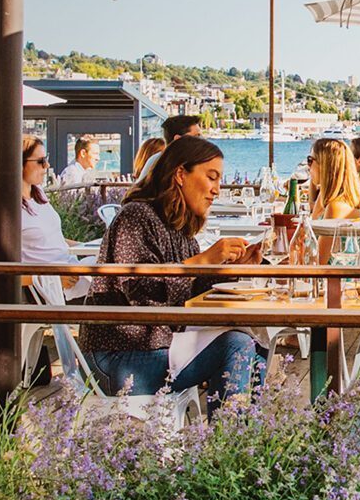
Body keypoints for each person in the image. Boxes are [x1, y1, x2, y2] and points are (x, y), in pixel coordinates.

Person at [83, 136, 266, 415]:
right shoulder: (135, 217)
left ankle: (246, 440)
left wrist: (235, 270)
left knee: (255, 342)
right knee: (236, 346)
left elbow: (190, 292)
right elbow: (139, 289)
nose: (217, 189)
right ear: (181, 174)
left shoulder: (180, 230)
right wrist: (203, 260)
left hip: (156, 345)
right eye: (211, 177)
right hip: (117, 356)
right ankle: (231, 449)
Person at [20, 137, 90, 303]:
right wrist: (54, 278)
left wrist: (88, 247)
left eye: (47, 159)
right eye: (41, 161)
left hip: (71, 274)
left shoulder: (38, 194)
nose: (47, 166)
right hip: (51, 290)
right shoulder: (8, 210)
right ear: (18, 162)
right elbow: (4, 274)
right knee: (119, 294)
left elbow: (53, 239)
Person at [308, 138, 360, 220]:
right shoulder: (327, 197)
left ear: (324, 166)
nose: (308, 166)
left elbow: (313, 231)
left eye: (310, 160)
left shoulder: (336, 207)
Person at [136, 115, 202, 182]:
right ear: (178, 139)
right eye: (196, 137)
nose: (202, 141)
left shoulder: (155, 160)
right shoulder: (158, 162)